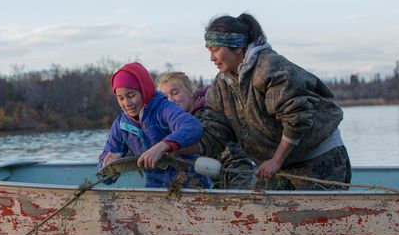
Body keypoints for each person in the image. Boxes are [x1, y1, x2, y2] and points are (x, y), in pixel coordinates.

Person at [199, 13, 351, 190]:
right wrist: (174, 146)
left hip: (318, 157)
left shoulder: (270, 67)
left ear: (236, 47)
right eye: (209, 51)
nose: (212, 58)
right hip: (275, 165)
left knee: (316, 216)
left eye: (215, 50)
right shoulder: (222, 84)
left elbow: (296, 116)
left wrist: (276, 160)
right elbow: (215, 128)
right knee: (261, 213)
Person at [98, 62, 212, 188]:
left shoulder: (164, 109)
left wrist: (162, 146)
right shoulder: (120, 125)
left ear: (144, 90)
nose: (127, 103)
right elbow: (105, 177)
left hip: (192, 186)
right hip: (155, 190)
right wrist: (107, 166)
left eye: (131, 95)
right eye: (121, 98)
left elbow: (192, 127)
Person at [156, 71, 255, 189]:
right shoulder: (168, 124)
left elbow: (235, 159)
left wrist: (236, 193)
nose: (171, 100)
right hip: (205, 183)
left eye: (175, 93)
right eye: (165, 97)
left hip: (231, 181)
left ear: (191, 92)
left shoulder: (208, 117)